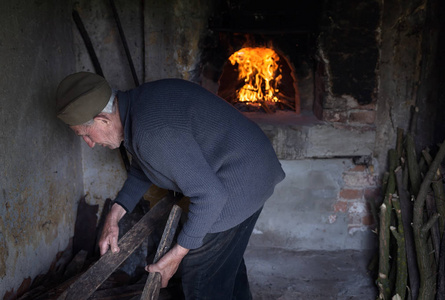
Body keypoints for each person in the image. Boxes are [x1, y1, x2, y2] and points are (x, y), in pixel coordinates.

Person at [56, 71, 285, 299]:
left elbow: (210, 197)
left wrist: (178, 254)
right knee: (225, 267)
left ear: (103, 120)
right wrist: (114, 216)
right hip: (255, 166)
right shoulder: (137, 107)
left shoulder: (150, 132)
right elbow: (143, 168)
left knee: (201, 274)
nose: (90, 143)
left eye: (86, 134)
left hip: (239, 182)